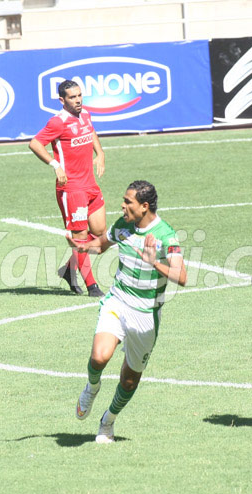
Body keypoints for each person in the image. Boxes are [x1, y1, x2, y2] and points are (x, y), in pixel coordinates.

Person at [69, 181, 186, 443]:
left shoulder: (167, 236)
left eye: (128, 202)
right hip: (118, 301)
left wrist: (153, 262)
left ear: (144, 207)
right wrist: (81, 246)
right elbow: (101, 244)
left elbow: (182, 276)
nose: (122, 205)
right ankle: (92, 387)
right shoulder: (122, 225)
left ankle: (107, 421)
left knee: (130, 380)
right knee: (99, 357)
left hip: (146, 315)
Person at [29, 79, 107, 298]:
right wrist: (55, 165)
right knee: (81, 236)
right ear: (62, 100)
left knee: (100, 236)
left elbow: (90, 131)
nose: (78, 100)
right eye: (73, 97)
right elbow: (35, 143)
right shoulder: (57, 122)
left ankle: (68, 270)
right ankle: (92, 286)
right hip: (72, 189)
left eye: (80, 95)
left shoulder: (86, 115)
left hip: (90, 185)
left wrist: (99, 153)